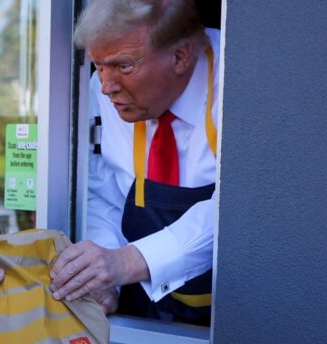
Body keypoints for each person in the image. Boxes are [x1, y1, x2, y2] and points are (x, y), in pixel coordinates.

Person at [49, 0, 220, 326]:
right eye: (98, 66)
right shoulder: (102, 94)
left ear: (180, 57)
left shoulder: (236, 83)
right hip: (144, 314)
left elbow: (233, 214)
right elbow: (105, 190)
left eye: (123, 66)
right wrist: (104, 281)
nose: (106, 87)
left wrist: (125, 263)